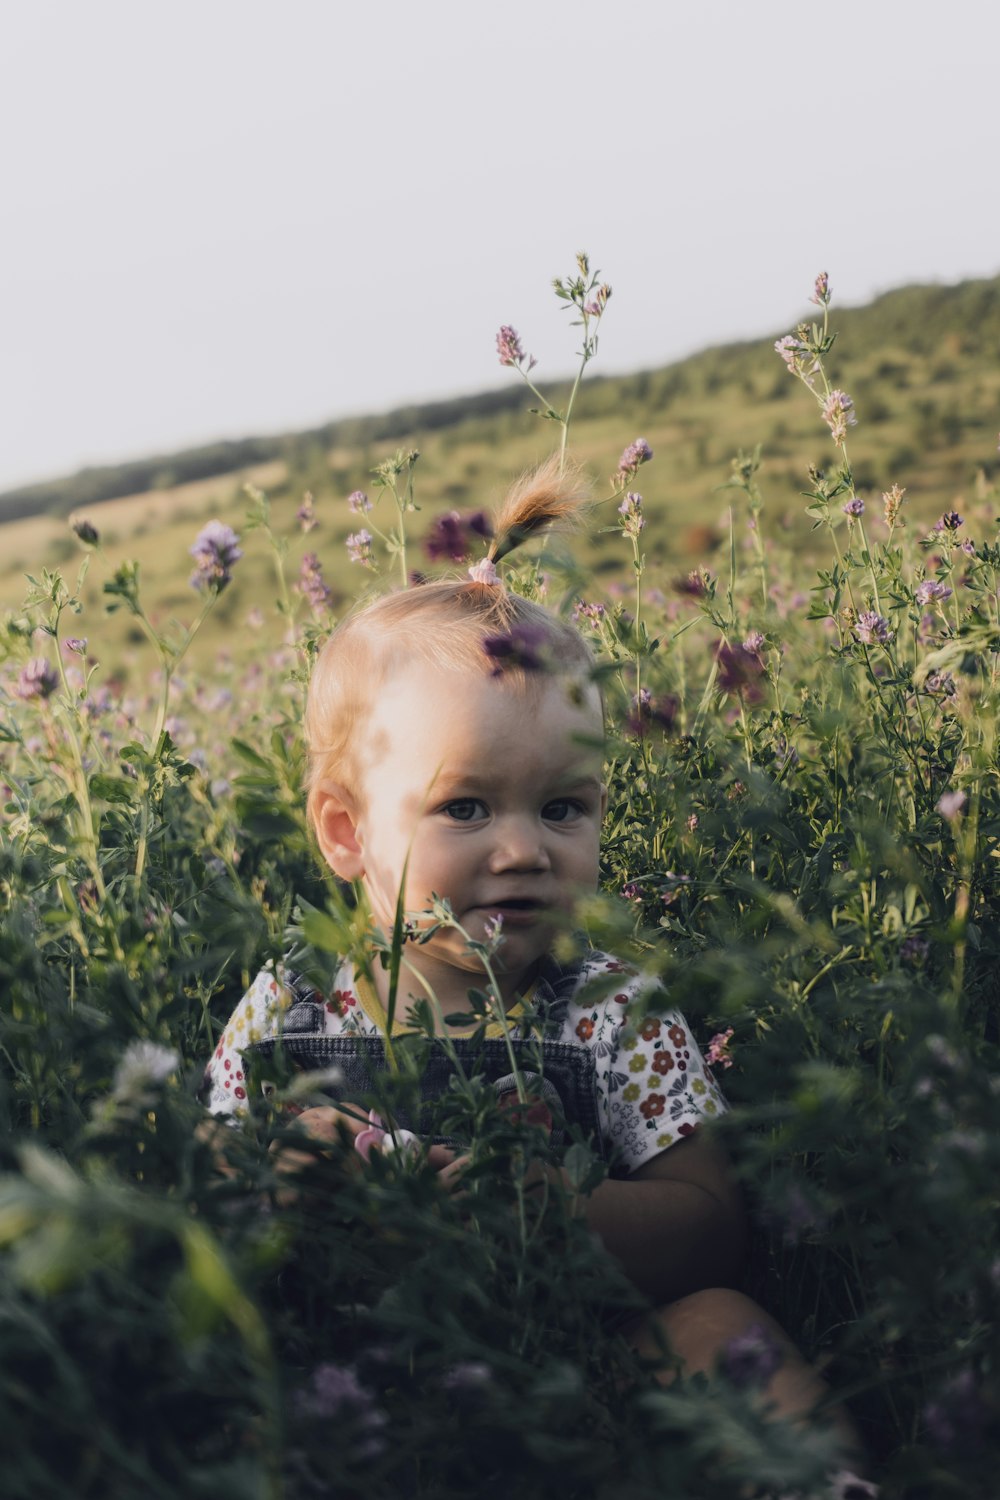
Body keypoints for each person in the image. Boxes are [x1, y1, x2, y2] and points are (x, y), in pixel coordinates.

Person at [202, 459, 873, 1491]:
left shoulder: (611, 1007)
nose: (524, 851)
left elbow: (709, 1227)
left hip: (586, 1381)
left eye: (563, 807)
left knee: (716, 1329)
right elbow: (200, 1196)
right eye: (465, 808)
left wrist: (544, 1214)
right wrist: (270, 1178)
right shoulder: (288, 1005)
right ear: (346, 830)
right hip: (362, 1393)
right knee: (229, 1407)